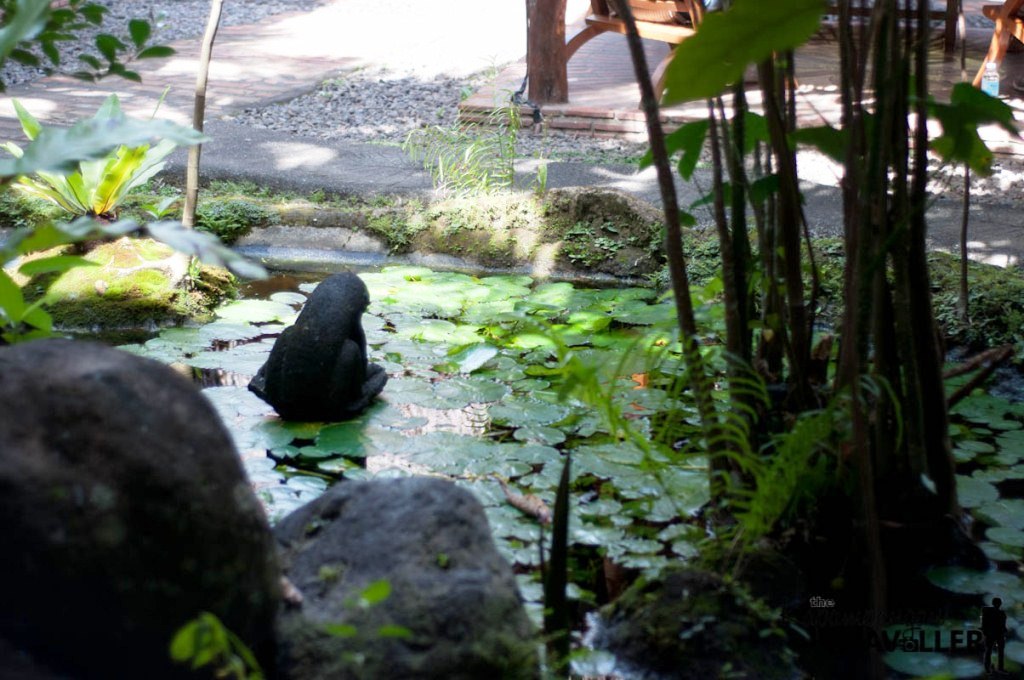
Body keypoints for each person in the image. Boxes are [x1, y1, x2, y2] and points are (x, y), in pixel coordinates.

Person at [981, 597, 1008, 675]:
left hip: (997, 634)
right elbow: (984, 623)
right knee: (990, 651)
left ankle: (996, 668)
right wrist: (985, 632)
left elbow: (1003, 624)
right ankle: (990, 668)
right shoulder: (989, 611)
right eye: (998, 603)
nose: (999, 604)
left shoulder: (998, 612)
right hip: (992, 634)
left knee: (996, 651)